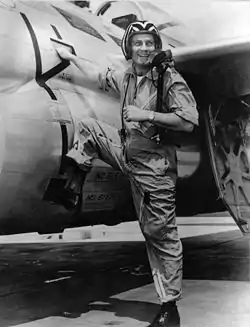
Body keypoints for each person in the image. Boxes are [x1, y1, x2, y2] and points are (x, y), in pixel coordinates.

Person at [55, 20, 198, 327]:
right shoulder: (127, 76)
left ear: (156, 47)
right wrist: (68, 58)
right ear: (129, 48)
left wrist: (146, 114)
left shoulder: (168, 79)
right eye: (138, 43)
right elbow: (98, 75)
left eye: (149, 43)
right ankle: (72, 186)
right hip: (126, 152)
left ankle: (169, 308)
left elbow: (189, 121)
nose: (144, 49)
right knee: (90, 128)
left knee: (159, 235)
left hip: (154, 169)